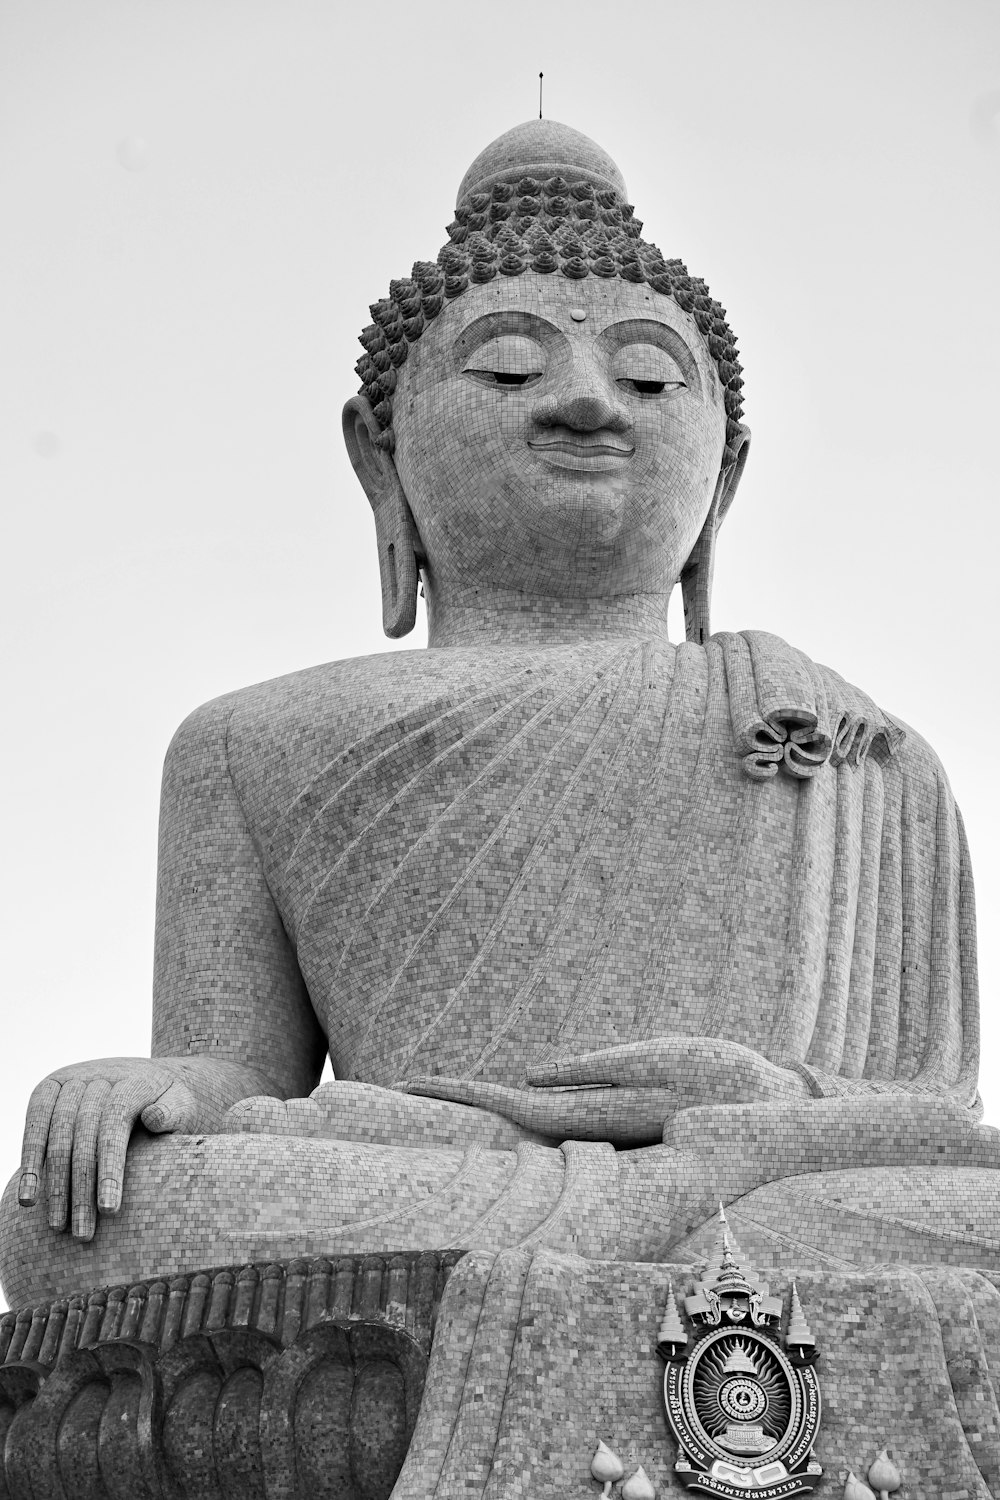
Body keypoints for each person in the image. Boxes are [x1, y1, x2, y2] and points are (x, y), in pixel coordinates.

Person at [2, 120, 996, 1309]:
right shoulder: (246, 741)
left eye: (646, 377)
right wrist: (150, 1090)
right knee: (68, 1219)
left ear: (724, 476)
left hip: (759, 1183)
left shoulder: (857, 748)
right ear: (381, 458)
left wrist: (744, 1102)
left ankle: (639, 1241)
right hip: (432, 1168)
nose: (587, 403)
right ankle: (661, 1244)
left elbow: (927, 1120)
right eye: (511, 368)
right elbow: (239, 1067)